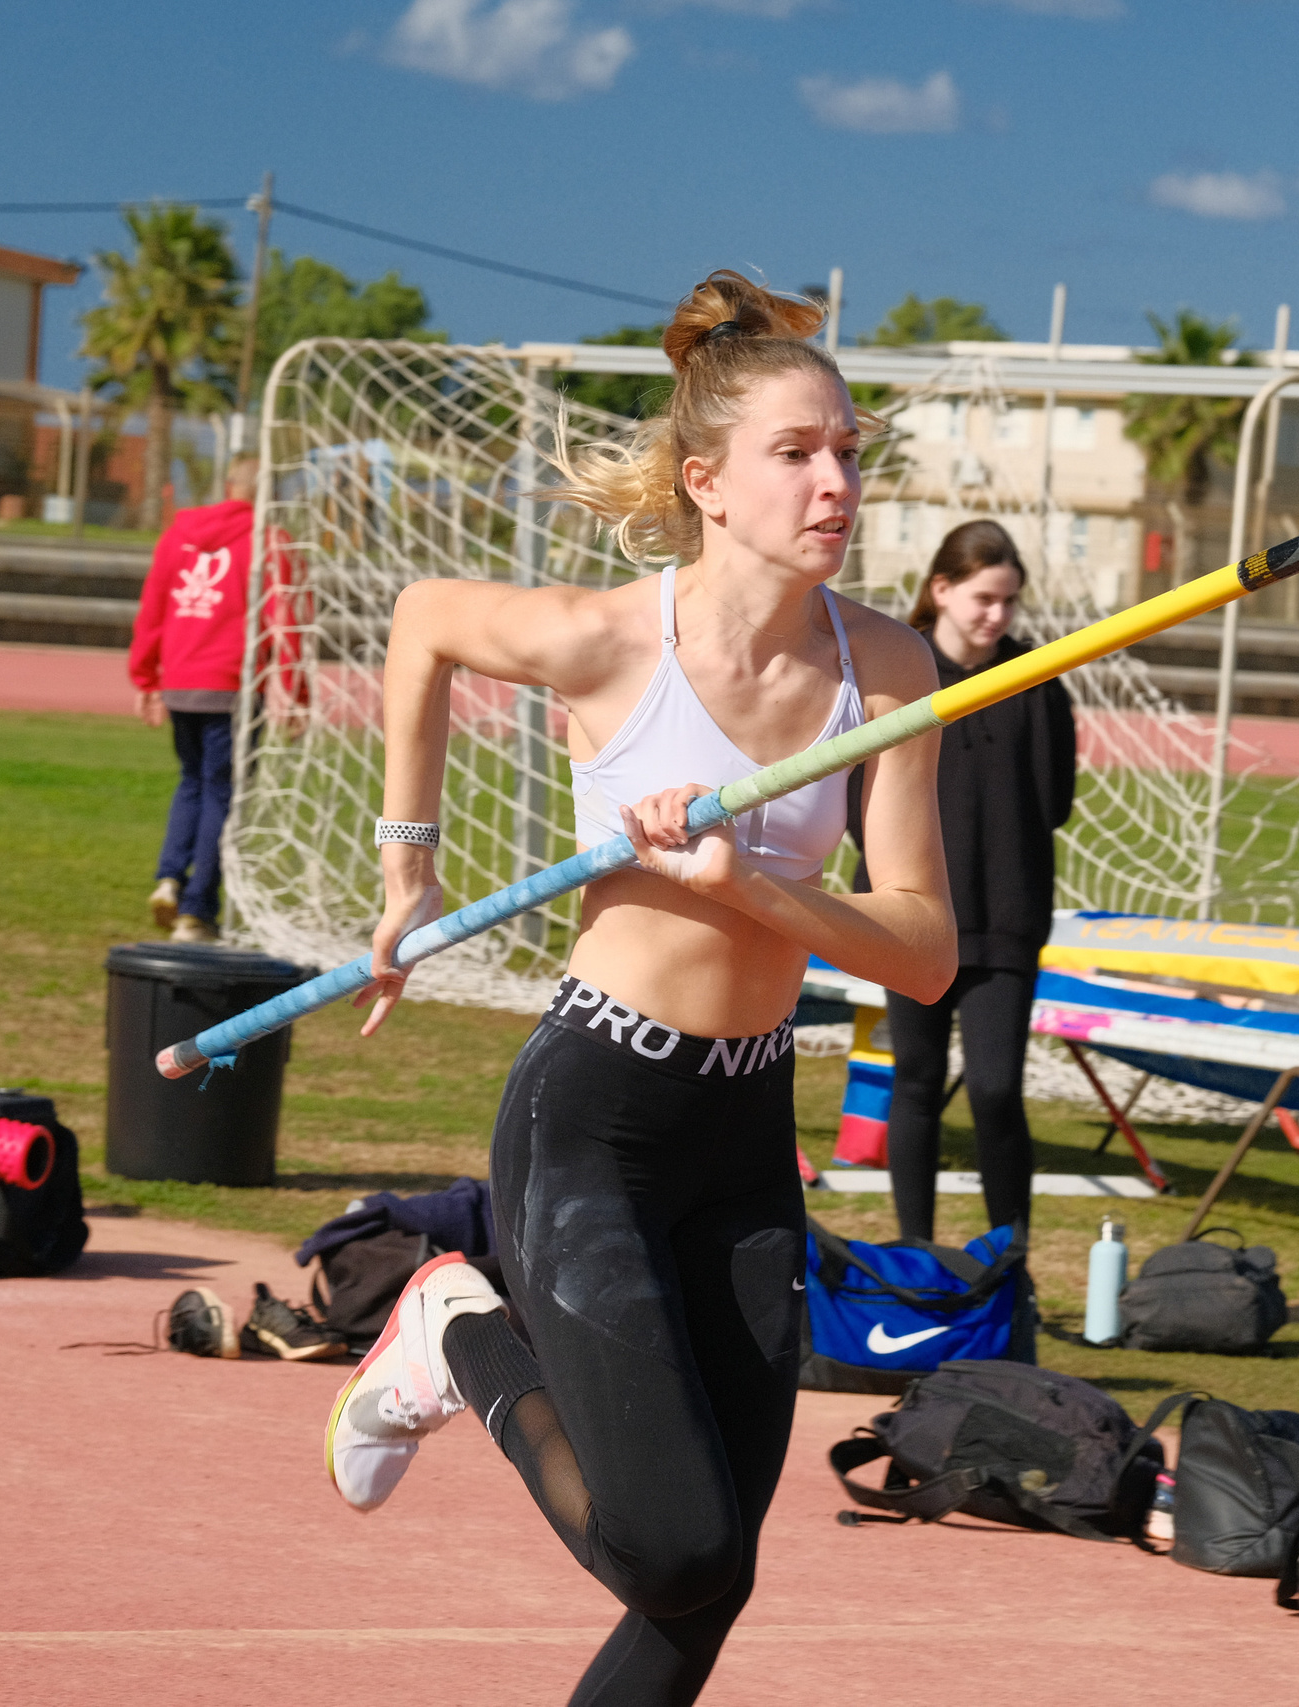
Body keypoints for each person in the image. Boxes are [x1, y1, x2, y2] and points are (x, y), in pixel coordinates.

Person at [322, 272, 954, 1706]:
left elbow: (923, 949)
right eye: (797, 452)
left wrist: (750, 887)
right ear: (708, 483)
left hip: (742, 1135)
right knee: (669, 1543)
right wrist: (406, 873)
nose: (836, 478)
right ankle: (456, 1331)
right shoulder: (612, 641)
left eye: (849, 449)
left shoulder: (892, 671)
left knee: (708, 1579)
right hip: (594, 1115)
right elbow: (422, 619)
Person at [846, 518, 1074, 1242]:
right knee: (915, 1079)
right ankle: (917, 1252)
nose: (996, 616)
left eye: (1008, 602)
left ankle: (1010, 1264)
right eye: (982, 598)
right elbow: (859, 797)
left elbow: (1054, 800)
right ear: (940, 590)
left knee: (996, 1088)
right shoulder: (896, 676)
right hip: (909, 918)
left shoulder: (1036, 681)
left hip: (1006, 916)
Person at [129, 456, 298, 944]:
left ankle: (169, 878)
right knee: (222, 794)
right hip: (232, 685)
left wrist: (147, 678)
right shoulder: (270, 541)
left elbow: (155, 606)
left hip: (181, 679)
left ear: (228, 486)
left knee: (192, 783)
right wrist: (295, 692)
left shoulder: (179, 535)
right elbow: (285, 619)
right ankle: (197, 910)